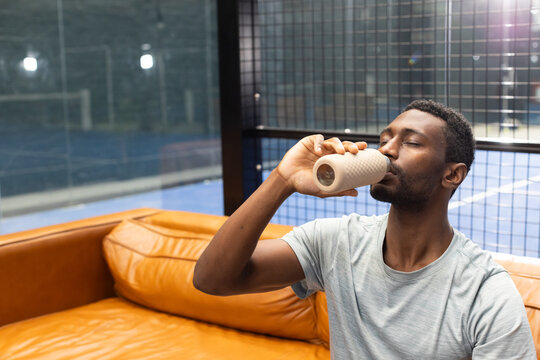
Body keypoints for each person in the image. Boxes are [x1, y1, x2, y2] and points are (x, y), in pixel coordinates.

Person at [193, 99, 536, 359]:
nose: (386, 149)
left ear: (452, 174)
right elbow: (212, 279)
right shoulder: (336, 241)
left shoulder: (484, 292)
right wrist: (283, 180)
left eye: (411, 142)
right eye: (385, 139)